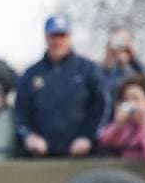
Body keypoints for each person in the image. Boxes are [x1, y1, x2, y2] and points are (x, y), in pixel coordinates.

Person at [14, 14, 107, 157]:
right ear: (46, 37)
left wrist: (88, 137)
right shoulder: (31, 74)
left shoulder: (88, 69)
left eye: (62, 36)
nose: (57, 41)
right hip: (41, 156)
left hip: (83, 155)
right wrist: (30, 136)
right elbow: (21, 111)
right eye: (53, 36)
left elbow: (102, 107)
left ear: (69, 37)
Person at [97, 74, 145, 167]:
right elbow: (105, 143)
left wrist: (144, 125)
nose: (131, 104)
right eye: (126, 99)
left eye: (136, 99)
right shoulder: (126, 124)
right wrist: (118, 126)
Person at [101, 28, 145, 112]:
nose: (120, 46)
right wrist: (108, 60)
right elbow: (100, 94)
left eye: (123, 40)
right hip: (112, 123)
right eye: (116, 40)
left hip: (138, 122)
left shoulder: (139, 71)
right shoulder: (105, 72)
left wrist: (133, 59)